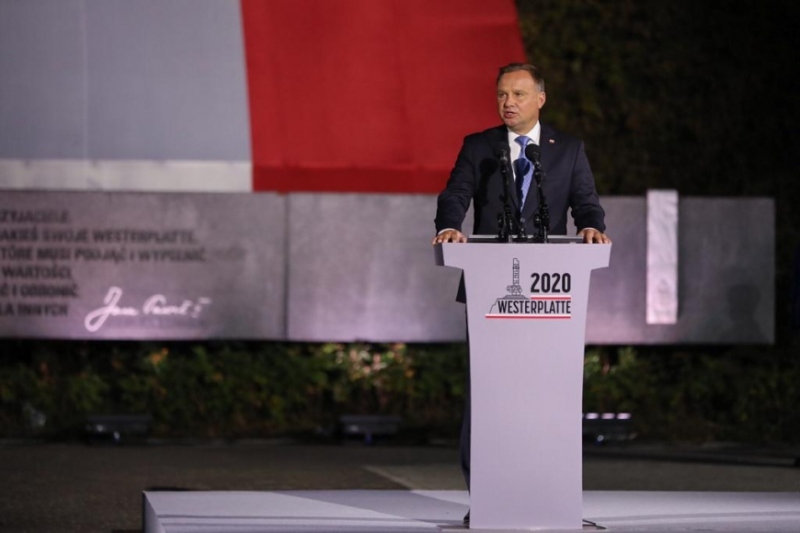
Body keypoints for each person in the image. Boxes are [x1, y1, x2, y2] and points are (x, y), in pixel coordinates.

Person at [431, 63, 610, 526]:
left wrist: (591, 226)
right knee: (486, 398)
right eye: (501, 94)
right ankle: (486, 498)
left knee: (545, 398)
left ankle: (546, 494)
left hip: (549, 293)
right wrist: (449, 226)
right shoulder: (480, 146)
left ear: (540, 99)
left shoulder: (568, 149)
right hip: (491, 288)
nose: (507, 102)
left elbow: (586, 203)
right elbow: (455, 195)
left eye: (518, 94)